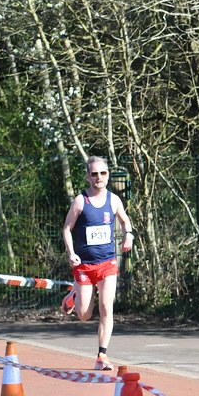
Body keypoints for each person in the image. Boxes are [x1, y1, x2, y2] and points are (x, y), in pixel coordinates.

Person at [61, 155, 134, 371]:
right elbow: (66, 229)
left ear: (108, 175)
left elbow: (125, 220)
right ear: (87, 176)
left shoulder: (114, 200)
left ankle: (102, 355)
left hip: (107, 264)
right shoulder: (80, 201)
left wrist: (128, 235)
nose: (99, 178)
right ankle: (74, 294)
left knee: (106, 306)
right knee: (84, 315)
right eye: (94, 174)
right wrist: (71, 253)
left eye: (102, 173)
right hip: (84, 265)